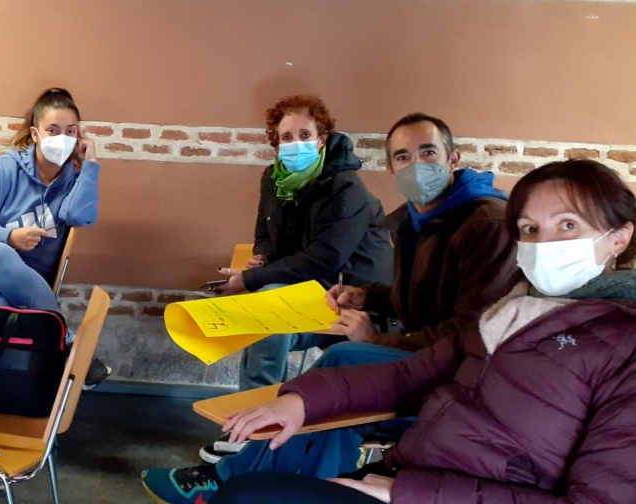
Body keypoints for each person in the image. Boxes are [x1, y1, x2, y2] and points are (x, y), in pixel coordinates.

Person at [145, 113, 523, 502]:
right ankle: (280, 483)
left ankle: (228, 477)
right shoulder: (418, 218)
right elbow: (420, 299)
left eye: (428, 152)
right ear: (390, 167)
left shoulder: (485, 223)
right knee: (329, 404)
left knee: (344, 360)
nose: (416, 165)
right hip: (422, 354)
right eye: (403, 156)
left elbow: (472, 334)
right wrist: (368, 296)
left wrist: (375, 339)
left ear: (453, 158)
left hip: (465, 376)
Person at [208, 159, 636, 502]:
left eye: (568, 225)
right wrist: (303, 399)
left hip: (436, 490)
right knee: (250, 492)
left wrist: (411, 492)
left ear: (619, 237)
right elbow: (411, 373)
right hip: (420, 469)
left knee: (247, 496)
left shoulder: (623, 344)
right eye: (530, 229)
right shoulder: (513, 311)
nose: (544, 244)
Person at [214, 94, 393, 392]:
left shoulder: (346, 188)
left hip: (350, 295)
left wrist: (250, 279)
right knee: (262, 315)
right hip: (307, 284)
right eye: (287, 137)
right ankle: (259, 404)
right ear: (277, 144)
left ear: (322, 139)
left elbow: (324, 258)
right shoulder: (273, 178)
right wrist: (263, 255)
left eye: (305, 135)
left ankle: (259, 404)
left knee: (266, 309)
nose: (296, 143)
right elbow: (264, 231)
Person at [0, 87, 110, 389]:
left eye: (71, 131)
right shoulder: (5, 168)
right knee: (1, 254)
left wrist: (90, 165)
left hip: (20, 286)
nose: (62, 138)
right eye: (53, 130)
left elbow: (81, 216)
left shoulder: (73, 182)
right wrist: (8, 236)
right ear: (35, 134)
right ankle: (66, 339)